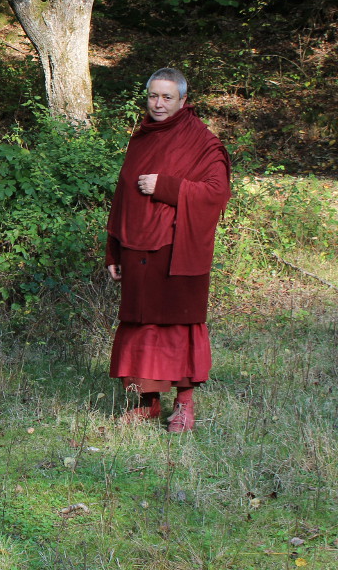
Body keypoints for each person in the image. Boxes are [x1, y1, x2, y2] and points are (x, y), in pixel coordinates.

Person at [106, 68, 231, 433]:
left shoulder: (202, 141)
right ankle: (148, 404)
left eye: (167, 97)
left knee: (179, 326)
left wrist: (167, 186)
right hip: (136, 247)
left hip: (177, 249)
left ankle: (184, 406)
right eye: (153, 96)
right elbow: (123, 197)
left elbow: (215, 193)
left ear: (182, 100)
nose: (158, 104)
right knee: (141, 327)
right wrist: (113, 251)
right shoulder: (142, 138)